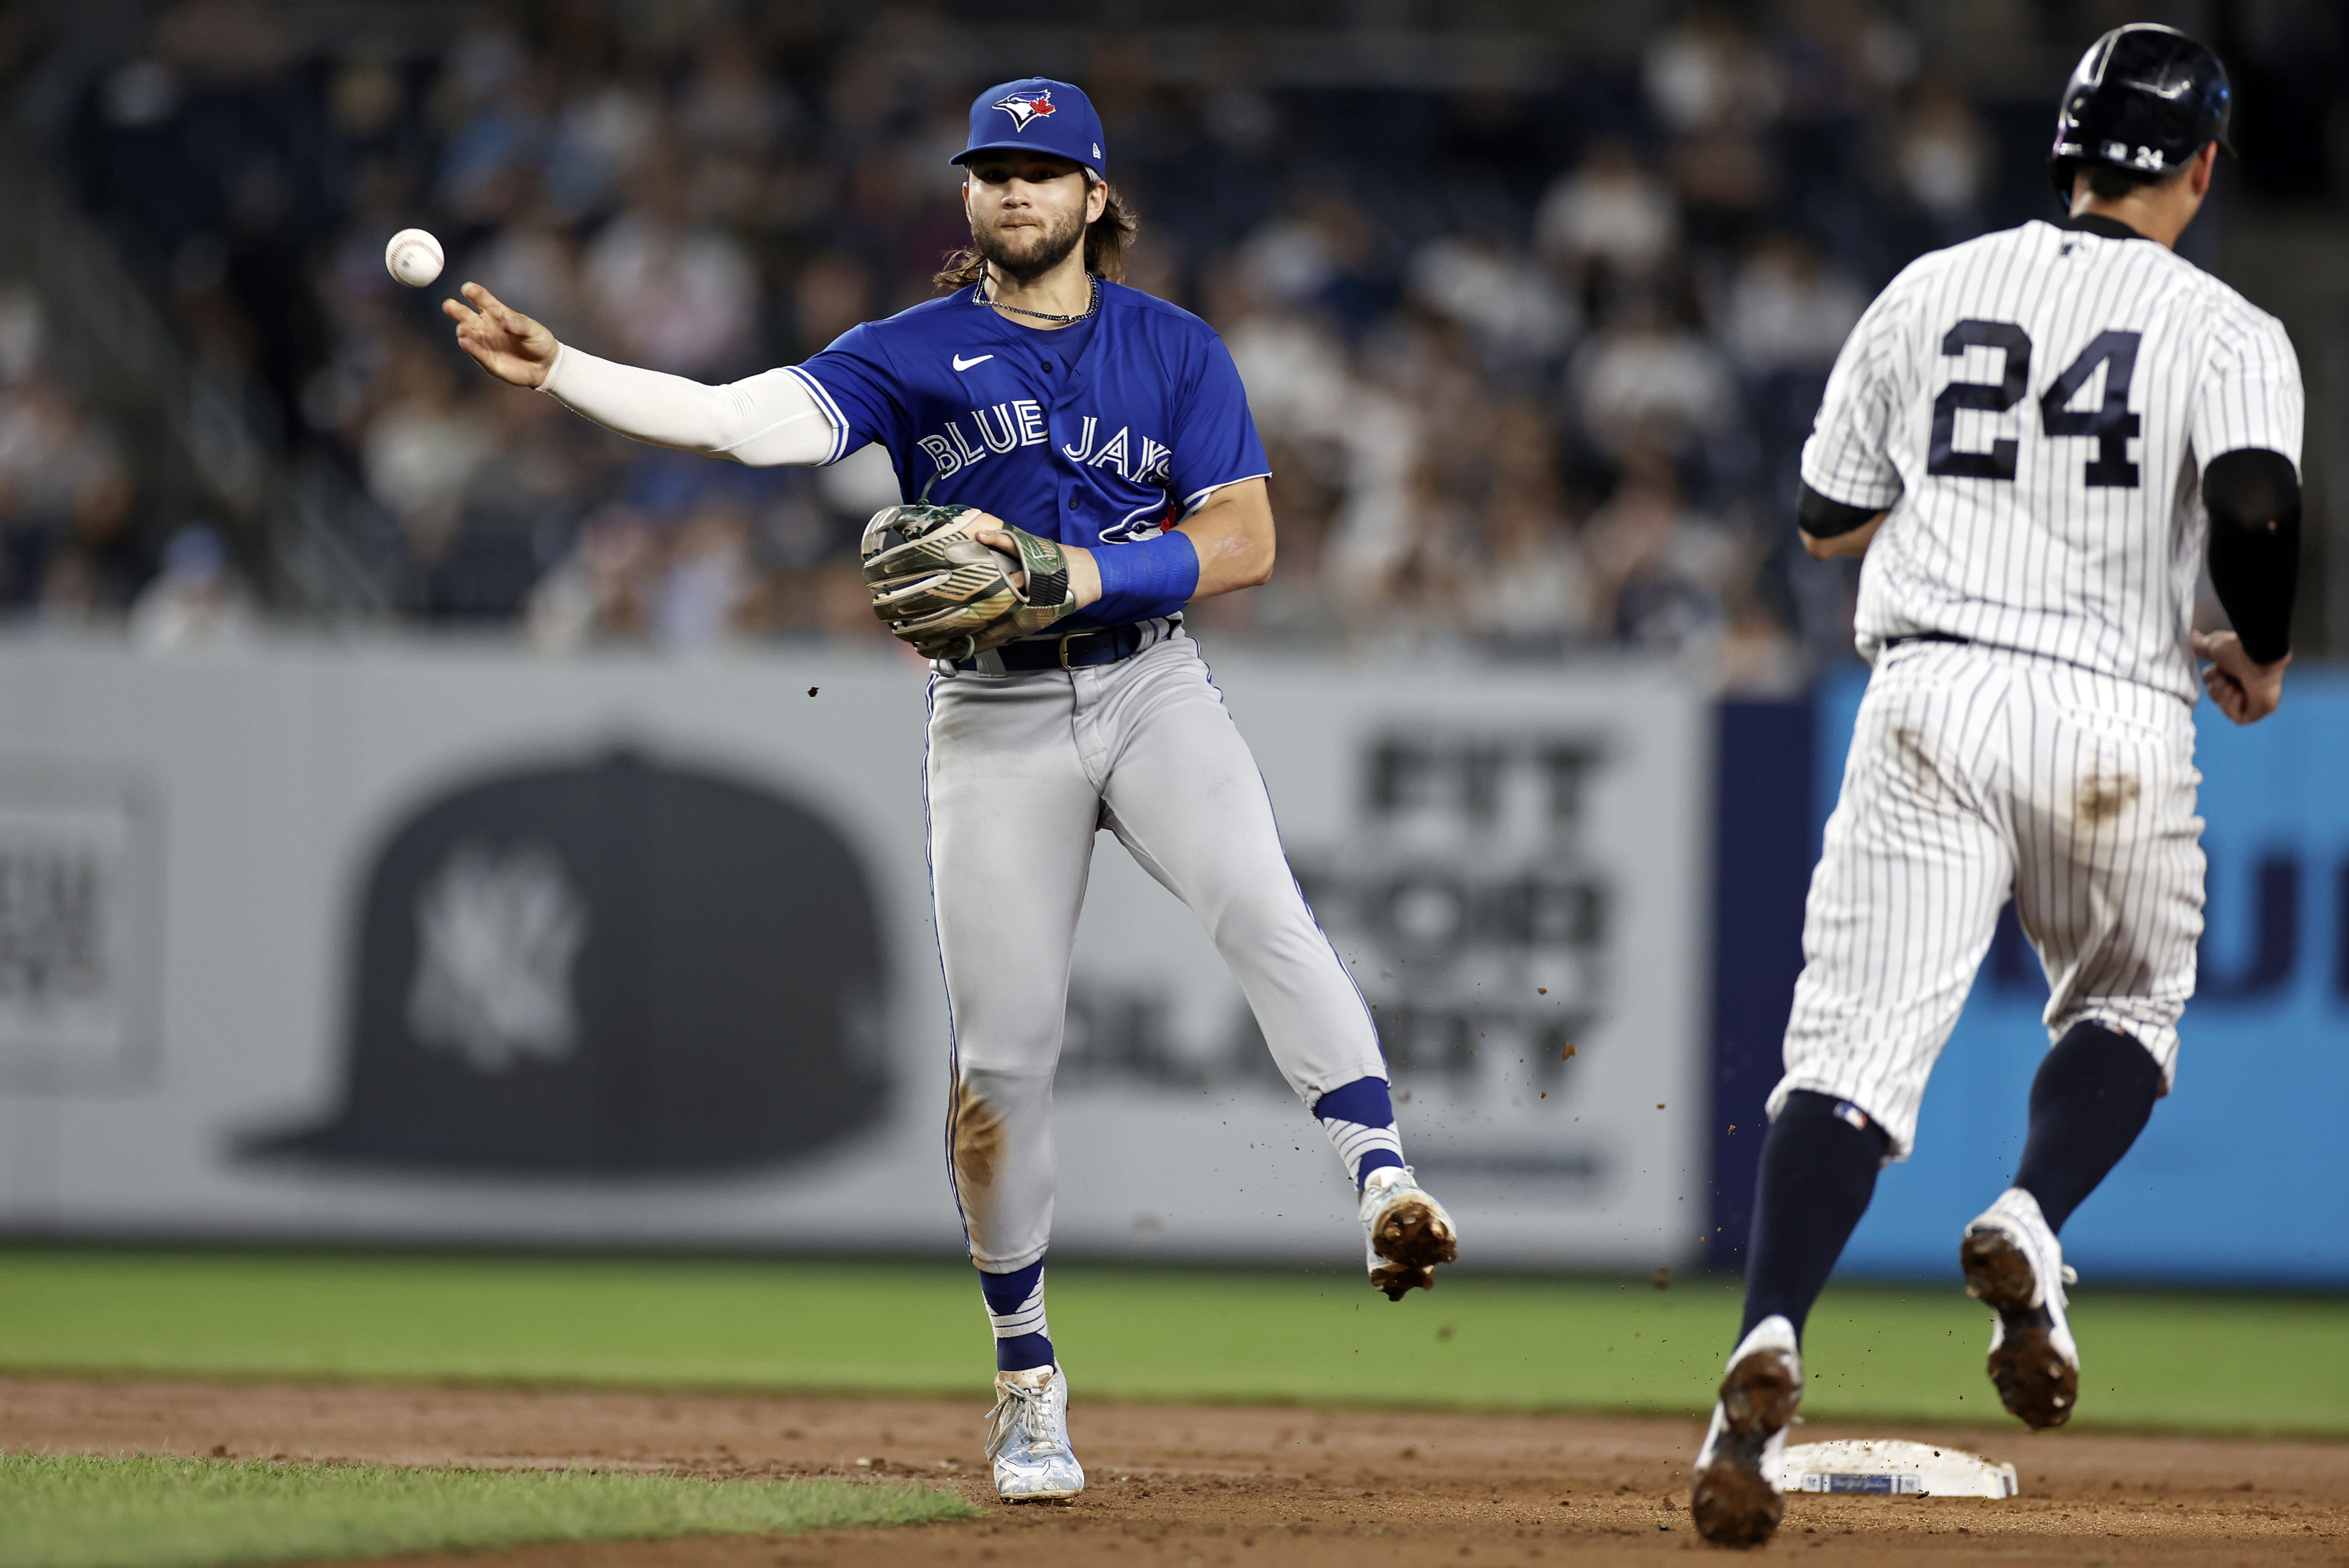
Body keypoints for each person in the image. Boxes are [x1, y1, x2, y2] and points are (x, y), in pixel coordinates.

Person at [442, 76, 1456, 1506]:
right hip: (990, 715)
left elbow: (1246, 542)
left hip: (1149, 680)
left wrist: (1081, 572)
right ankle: (1026, 1380)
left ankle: (1382, 1181)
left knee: (1259, 906)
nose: (1017, 190)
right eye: (994, 169)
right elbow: (740, 422)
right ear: (969, 195)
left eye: (1045, 169)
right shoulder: (910, 354)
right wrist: (568, 372)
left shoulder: (1174, 349)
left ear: (1098, 196)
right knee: (1004, 1069)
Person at [1690, 25, 2301, 1547]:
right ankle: (2030, 1215)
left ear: (2067, 148)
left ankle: (1766, 1342)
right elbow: (2254, 502)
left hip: (1930, 694)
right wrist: (2266, 646)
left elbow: (1829, 511)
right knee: (2123, 1009)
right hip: (2115, 708)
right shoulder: (2230, 329)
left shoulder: (1932, 286)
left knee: (1845, 1059)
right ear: (2206, 167)